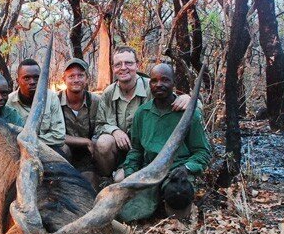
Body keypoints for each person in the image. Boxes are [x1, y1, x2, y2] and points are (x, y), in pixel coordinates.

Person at [118, 63, 211, 221]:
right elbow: (136, 150)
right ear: (150, 85)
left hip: (176, 172)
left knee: (178, 193)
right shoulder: (142, 113)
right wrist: (130, 173)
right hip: (149, 171)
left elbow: (202, 152)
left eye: (165, 80)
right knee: (125, 215)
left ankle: (172, 206)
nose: (159, 84)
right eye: (154, 81)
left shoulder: (190, 115)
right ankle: (152, 202)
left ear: (173, 83)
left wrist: (186, 168)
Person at [97, 47, 197, 181]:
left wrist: (188, 99)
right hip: (120, 150)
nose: (123, 68)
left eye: (128, 63)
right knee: (103, 142)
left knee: (126, 179)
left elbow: (182, 104)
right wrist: (114, 131)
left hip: (144, 151)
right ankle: (105, 178)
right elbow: (99, 125)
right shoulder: (108, 93)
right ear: (113, 68)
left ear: (137, 65)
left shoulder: (152, 86)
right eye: (118, 64)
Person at [58, 58, 114, 187]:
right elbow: (53, 134)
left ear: (87, 78)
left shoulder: (96, 101)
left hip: (90, 154)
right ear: (64, 80)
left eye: (80, 75)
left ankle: (105, 178)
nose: (76, 79)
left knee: (89, 184)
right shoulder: (55, 101)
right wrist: (85, 141)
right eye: (71, 76)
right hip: (66, 153)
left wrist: (92, 141)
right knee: (61, 148)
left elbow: (104, 125)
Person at [7, 59, 67, 153]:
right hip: (18, 150)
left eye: (36, 78)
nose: (32, 82)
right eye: (27, 78)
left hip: (47, 148)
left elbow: (59, 136)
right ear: (18, 81)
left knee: (65, 151)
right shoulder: (9, 102)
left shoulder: (51, 97)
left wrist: (30, 141)